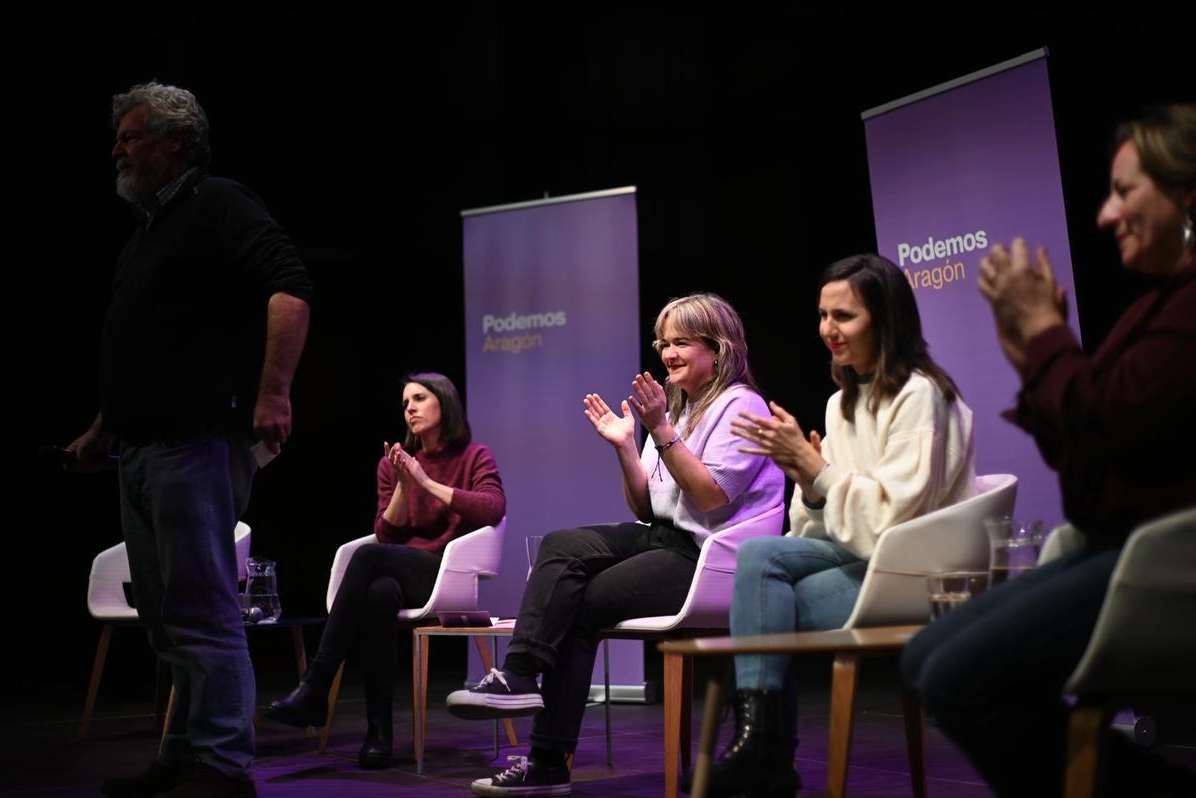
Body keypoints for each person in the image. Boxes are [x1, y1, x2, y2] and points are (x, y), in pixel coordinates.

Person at [901, 104, 1196, 797]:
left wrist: (1043, 335)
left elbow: (1112, 425)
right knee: (923, 660)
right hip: (1110, 546)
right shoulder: (1156, 305)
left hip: (1154, 560)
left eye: (1125, 191)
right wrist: (1031, 352)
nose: (1105, 215)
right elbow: (1092, 455)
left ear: (1187, 192)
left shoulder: (1187, 311)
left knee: (954, 675)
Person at [68, 82, 313, 798]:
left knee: (203, 610)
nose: (117, 147)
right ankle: (182, 758)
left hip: (197, 443)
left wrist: (273, 391)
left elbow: (290, 287)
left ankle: (224, 766)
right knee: (167, 621)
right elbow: (139, 348)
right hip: (140, 450)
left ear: (175, 141)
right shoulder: (148, 231)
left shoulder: (220, 203)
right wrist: (100, 430)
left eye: (132, 136)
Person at [445, 293, 784, 796]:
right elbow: (645, 508)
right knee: (563, 544)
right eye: (662, 343)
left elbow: (711, 496)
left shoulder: (741, 405)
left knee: (579, 606)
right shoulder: (676, 407)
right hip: (663, 537)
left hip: (709, 558)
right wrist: (627, 446)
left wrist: (660, 430)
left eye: (681, 343)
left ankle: (546, 761)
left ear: (718, 348)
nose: (667, 353)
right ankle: (518, 676)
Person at [702, 253, 977, 797]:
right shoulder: (839, 405)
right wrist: (806, 482)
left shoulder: (921, 395)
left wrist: (816, 470)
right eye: (823, 315)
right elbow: (823, 523)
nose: (828, 329)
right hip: (863, 554)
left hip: (915, 568)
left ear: (886, 318)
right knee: (759, 558)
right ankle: (763, 748)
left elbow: (897, 522)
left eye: (844, 316)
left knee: (761, 608)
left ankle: (767, 749)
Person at [261, 372, 506, 769]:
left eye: (419, 398)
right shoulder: (393, 465)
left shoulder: (475, 456)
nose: (409, 407)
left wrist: (426, 482)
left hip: (447, 573)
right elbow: (385, 532)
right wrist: (406, 487)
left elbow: (492, 508)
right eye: (405, 401)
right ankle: (378, 734)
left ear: (445, 404)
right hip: (404, 571)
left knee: (368, 560)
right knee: (378, 593)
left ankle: (316, 687)